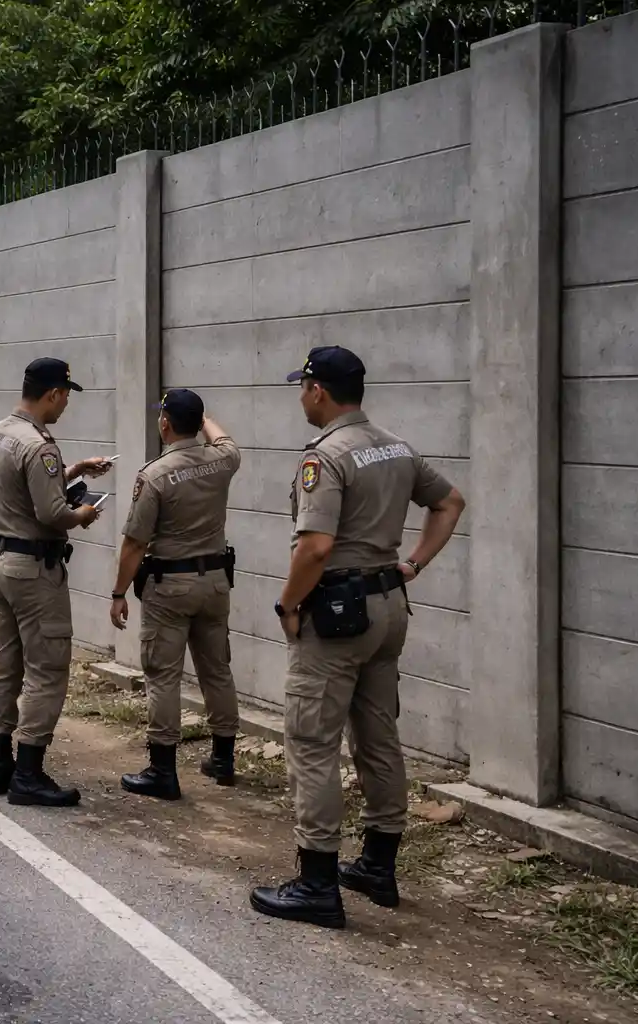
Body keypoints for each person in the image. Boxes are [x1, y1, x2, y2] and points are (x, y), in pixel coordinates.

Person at [250, 346, 466, 929]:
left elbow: (315, 547)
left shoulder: (327, 456)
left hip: (338, 613)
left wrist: (288, 603)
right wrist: (413, 563)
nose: (300, 396)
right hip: (388, 606)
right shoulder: (395, 445)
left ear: (319, 390)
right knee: (377, 734)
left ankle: (317, 882)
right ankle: (377, 865)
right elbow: (449, 502)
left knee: (313, 742)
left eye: (303, 387)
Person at [0, 357, 111, 807]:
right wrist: (85, 513)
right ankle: (29, 774)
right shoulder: (40, 446)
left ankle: (0, 767)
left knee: (5, 662)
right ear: (53, 394)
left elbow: (21, 489)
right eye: (67, 395)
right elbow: (52, 513)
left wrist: (74, 471)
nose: (66, 404)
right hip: (35, 571)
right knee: (47, 669)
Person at [109, 389, 241, 800]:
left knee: (163, 675)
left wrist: (118, 593)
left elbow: (134, 543)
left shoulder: (155, 475)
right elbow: (224, 439)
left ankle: (162, 769)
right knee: (216, 669)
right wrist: (202, 418)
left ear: (165, 423)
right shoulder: (222, 460)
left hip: (171, 588)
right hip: (215, 584)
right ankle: (223, 759)